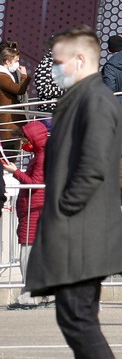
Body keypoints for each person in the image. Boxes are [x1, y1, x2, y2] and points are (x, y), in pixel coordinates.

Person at [24, 28, 122, 359]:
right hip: (80, 230)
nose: (52, 69)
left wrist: (62, 209)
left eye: (58, 62)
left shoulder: (95, 99)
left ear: (80, 59)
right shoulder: (80, 99)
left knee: (79, 319)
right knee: (75, 318)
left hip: (83, 232)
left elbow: (93, 166)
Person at [1, 119, 48, 308]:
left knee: (27, 255)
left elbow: (34, 182)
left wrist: (15, 171)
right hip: (34, 210)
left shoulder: (42, 157)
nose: (23, 144)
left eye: (25, 139)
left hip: (34, 211)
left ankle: (29, 297)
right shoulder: (42, 154)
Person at [0, 39, 31, 148]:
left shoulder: (8, 74)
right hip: (8, 124)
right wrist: (24, 76)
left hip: (12, 123)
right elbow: (19, 90)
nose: (17, 63)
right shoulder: (2, 76)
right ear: (7, 61)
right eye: (15, 60)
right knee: (9, 155)